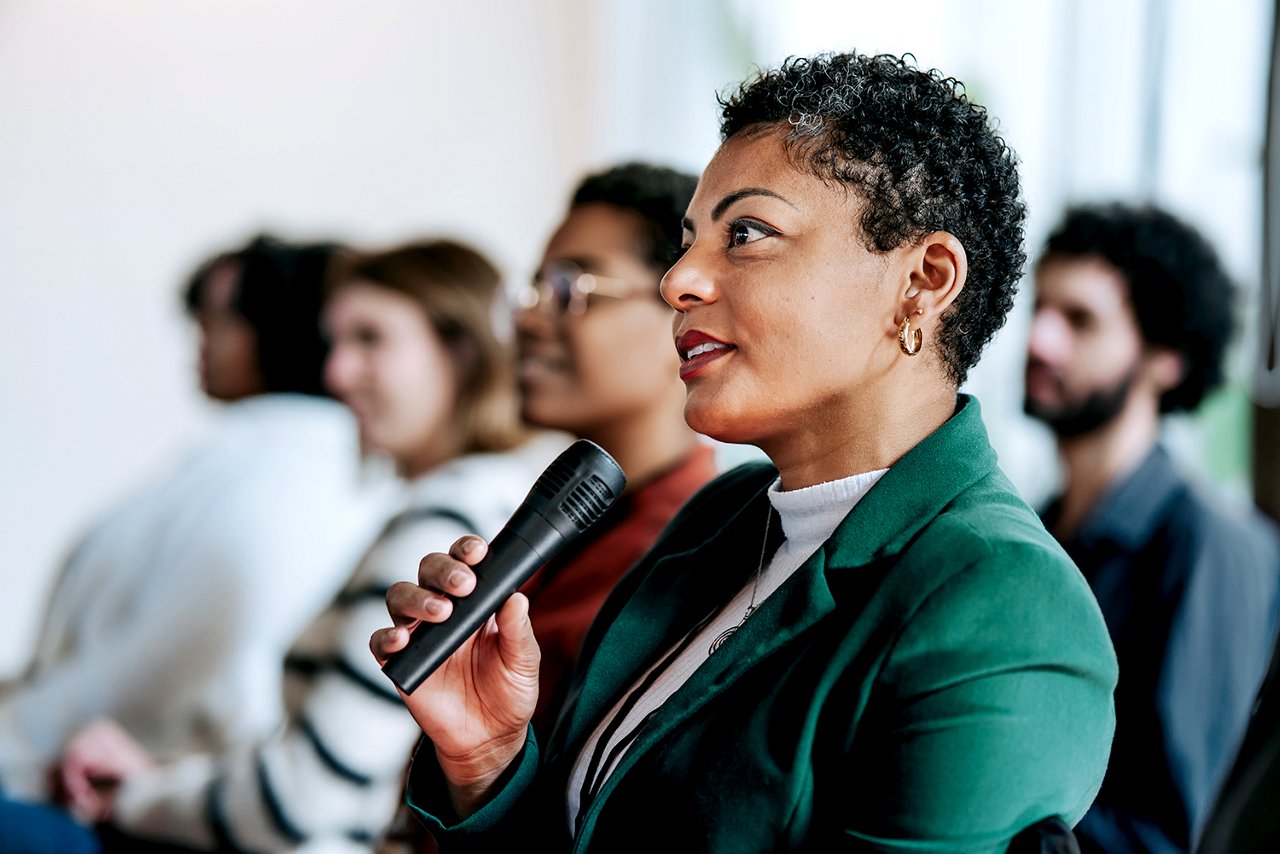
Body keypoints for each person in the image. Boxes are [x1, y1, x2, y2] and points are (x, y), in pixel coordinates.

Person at [372, 52, 1119, 852]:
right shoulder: (721, 522)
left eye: (749, 233)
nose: (679, 280)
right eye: (691, 241)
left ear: (923, 280)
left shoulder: (1004, 605)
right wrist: (485, 759)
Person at [55, 240, 563, 851]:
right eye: (337, 343)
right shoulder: (484, 496)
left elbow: (309, 797)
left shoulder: (450, 517)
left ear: (461, 350)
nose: (337, 373)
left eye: (371, 339)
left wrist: (132, 797)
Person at [0, 235, 390, 804]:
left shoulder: (292, 477)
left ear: (280, 324)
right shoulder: (251, 454)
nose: (200, 339)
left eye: (218, 320)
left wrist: (15, 737)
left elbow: (168, 663)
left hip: (143, 790)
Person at [1023, 203, 1280, 854]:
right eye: (1041, 308)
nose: (1040, 341)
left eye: (1079, 320)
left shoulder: (1209, 546)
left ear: (1165, 357)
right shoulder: (1036, 528)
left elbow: (1174, 833)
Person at [512, 162, 717, 739]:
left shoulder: (683, 556)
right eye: (535, 288)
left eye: (572, 288)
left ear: (682, 308)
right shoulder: (574, 517)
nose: (528, 318)